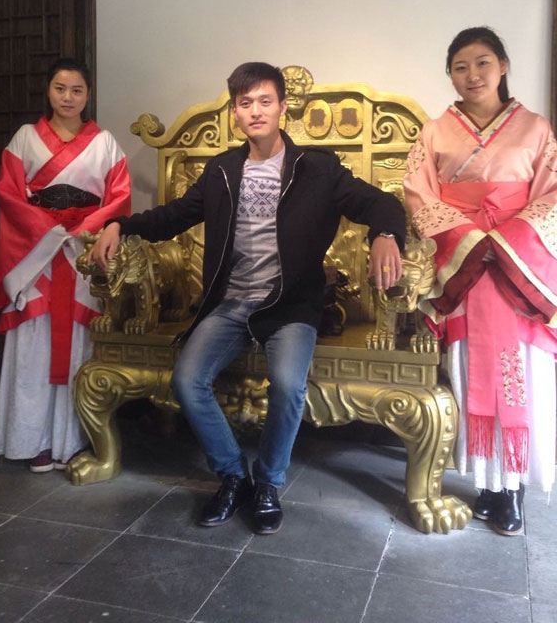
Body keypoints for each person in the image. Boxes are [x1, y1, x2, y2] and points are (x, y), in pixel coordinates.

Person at [91, 61, 405, 534]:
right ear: (235, 113)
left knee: (288, 386)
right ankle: (233, 476)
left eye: (264, 101)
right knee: (187, 381)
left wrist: (385, 233)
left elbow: (380, 202)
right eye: (245, 103)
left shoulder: (317, 168)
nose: (255, 111)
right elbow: (174, 215)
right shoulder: (222, 170)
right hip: (231, 303)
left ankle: (268, 484)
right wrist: (120, 223)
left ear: (282, 107)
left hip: (291, 306)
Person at [404, 27, 557, 536]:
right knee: (468, 372)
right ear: (450, 74)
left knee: (523, 376)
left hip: (517, 273)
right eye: (460, 66)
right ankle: (486, 485)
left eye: (483, 62)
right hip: (465, 269)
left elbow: (551, 196)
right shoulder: (433, 132)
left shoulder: (536, 128)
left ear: (503, 65)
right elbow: (420, 195)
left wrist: (504, 242)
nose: (472, 75)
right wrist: (473, 241)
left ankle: (513, 488)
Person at [0, 58, 131, 472]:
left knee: (80, 349)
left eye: (77, 90)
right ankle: (29, 440)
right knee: (33, 347)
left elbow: (119, 200)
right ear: (48, 91)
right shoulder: (24, 138)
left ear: (88, 95)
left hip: (81, 253)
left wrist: (81, 233)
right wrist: (50, 233)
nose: (68, 98)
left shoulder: (105, 143)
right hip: (36, 256)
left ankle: (72, 441)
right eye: (60, 88)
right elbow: (10, 195)